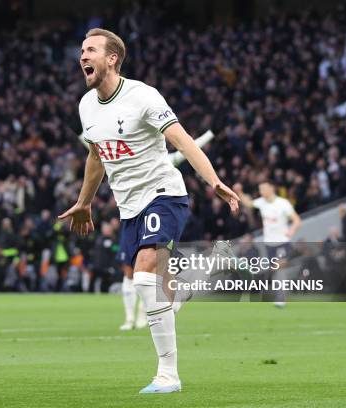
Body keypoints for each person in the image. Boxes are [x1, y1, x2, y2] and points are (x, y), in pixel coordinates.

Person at [59, 28, 239, 394]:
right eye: (81, 50)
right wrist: (85, 200)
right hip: (129, 207)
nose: (82, 56)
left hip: (164, 195)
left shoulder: (143, 96)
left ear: (112, 58)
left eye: (90, 50)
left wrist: (214, 180)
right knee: (164, 298)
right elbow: (96, 156)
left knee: (143, 278)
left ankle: (168, 376)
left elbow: (183, 140)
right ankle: (201, 279)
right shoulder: (86, 106)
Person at [236, 181, 301, 307]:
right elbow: (249, 204)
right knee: (276, 270)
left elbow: (297, 220)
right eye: (260, 189)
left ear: (272, 188)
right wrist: (239, 192)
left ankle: (281, 298)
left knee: (279, 267)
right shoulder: (262, 202)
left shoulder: (283, 203)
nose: (261, 192)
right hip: (269, 245)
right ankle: (285, 293)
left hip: (282, 243)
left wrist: (291, 231)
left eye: (264, 189)